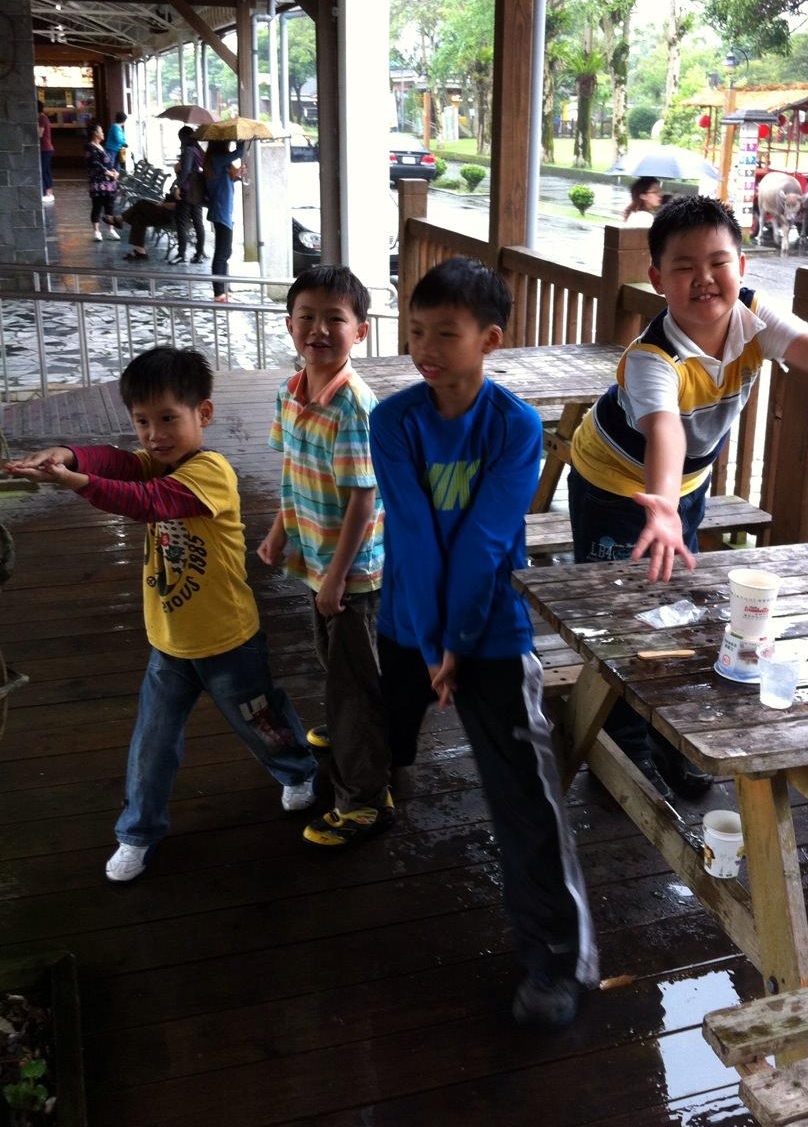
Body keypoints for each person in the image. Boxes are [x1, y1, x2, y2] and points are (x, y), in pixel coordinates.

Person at [568, 196, 808, 800]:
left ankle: (667, 732)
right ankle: (620, 743)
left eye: (717, 262)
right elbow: (667, 431)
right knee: (620, 613)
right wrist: (660, 504)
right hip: (614, 488)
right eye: (684, 266)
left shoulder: (753, 317)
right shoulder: (652, 358)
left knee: (676, 604)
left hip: (682, 490)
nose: (704, 277)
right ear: (658, 278)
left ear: (742, 266)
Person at [369, 257, 598, 1030]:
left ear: (489, 340)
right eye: (415, 332)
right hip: (409, 620)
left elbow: (485, 541)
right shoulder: (393, 421)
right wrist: (435, 642)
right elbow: (413, 534)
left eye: (445, 334)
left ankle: (556, 962)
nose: (424, 349)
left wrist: (459, 643)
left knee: (524, 797)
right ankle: (374, 786)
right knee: (385, 724)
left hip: (492, 631)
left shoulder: (516, 426)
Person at [3, 347, 318, 883]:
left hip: (229, 642)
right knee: (151, 743)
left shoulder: (210, 471)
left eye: (168, 419)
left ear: (204, 414)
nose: (154, 435)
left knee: (260, 719)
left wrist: (75, 483)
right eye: (142, 422)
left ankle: (298, 770)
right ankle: (138, 832)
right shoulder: (156, 461)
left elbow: (148, 501)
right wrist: (68, 455)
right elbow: (117, 462)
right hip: (169, 643)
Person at [257, 266, 391, 850]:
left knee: (353, 686)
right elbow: (294, 474)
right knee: (337, 664)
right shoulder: (291, 391)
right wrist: (278, 532)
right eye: (306, 317)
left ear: (360, 331)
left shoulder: (354, 407)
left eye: (334, 318)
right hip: (317, 560)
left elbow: (364, 497)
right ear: (289, 325)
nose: (318, 329)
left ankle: (365, 800)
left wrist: (337, 577)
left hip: (352, 571)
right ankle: (354, 732)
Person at [203, 139, 243, 300]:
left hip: (223, 211)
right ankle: (219, 292)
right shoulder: (216, 159)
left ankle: (224, 288)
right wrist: (241, 141)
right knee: (222, 253)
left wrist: (236, 175)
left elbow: (224, 182)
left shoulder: (217, 160)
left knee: (225, 252)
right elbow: (239, 153)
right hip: (222, 212)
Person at [171, 126, 206, 266]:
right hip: (197, 191)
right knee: (198, 222)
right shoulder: (197, 150)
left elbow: (185, 170)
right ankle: (199, 253)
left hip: (187, 190)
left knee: (181, 222)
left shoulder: (188, 151)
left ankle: (181, 254)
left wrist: (178, 187)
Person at [84, 122, 123, 242]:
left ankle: (111, 230)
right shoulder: (90, 147)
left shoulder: (102, 147)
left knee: (109, 206)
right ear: (95, 133)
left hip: (109, 183)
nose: (103, 133)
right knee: (97, 206)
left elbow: (109, 162)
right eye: (101, 131)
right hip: (98, 183)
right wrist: (109, 173)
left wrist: (114, 172)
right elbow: (95, 164)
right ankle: (96, 231)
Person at [119, 197, 177, 261]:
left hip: (171, 218)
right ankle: (140, 251)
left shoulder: (182, 192)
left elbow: (177, 205)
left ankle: (120, 219)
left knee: (141, 203)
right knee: (139, 217)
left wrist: (163, 204)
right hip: (166, 212)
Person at [37, 100, 54, 201]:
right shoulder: (44, 118)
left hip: (45, 149)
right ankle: (49, 192)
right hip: (47, 149)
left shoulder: (42, 119)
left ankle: (44, 193)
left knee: (43, 170)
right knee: (46, 170)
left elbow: (40, 134)